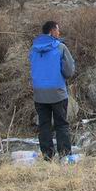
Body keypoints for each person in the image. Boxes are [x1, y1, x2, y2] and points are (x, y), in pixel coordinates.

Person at [29, 21, 75, 160]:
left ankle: (48, 157)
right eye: (58, 30)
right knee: (61, 124)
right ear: (52, 31)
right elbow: (69, 71)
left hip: (39, 93)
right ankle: (64, 156)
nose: (59, 33)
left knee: (44, 125)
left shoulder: (33, 48)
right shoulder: (60, 47)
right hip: (57, 92)